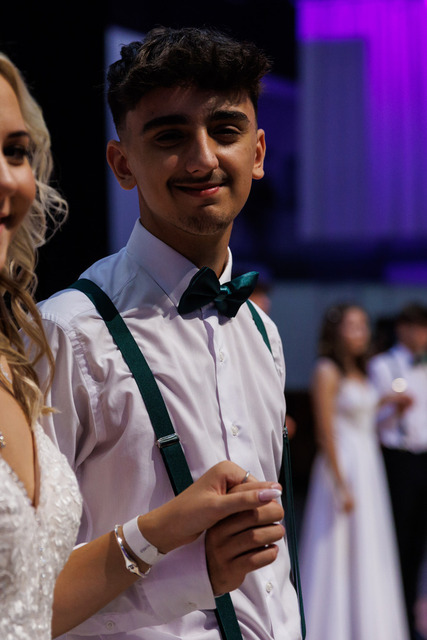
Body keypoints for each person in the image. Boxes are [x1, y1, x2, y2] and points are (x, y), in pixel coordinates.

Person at [0, 50, 288, 640]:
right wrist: (181, 567)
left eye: (225, 131)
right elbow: (25, 589)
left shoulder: (263, 333)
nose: (203, 158)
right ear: (122, 163)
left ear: (257, 153)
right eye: (170, 137)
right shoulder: (66, 333)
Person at [299, 303, 410, 640]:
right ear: (336, 331)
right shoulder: (327, 370)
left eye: (364, 325)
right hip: (343, 465)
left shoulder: (360, 372)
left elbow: (363, 413)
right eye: (353, 325)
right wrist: (340, 484)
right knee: (338, 548)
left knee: (368, 546)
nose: (361, 333)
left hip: (368, 465)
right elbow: (325, 432)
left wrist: (388, 403)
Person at [369, 302, 427, 640]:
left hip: (424, 457)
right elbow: (366, 418)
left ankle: (414, 618)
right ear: (403, 329)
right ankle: (398, 620)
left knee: (419, 544)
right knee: (399, 542)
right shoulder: (383, 365)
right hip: (398, 459)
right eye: (418, 328)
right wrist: (392, 405)